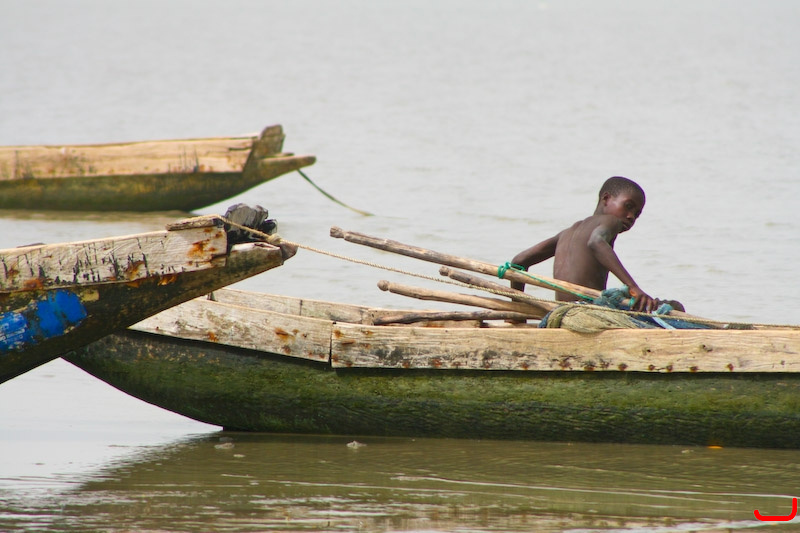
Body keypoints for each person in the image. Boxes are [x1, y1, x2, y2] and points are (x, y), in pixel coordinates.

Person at [510, 176, 657, 313]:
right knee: (664, 309)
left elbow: (518, 262)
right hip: (588, 312)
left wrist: (517, 310)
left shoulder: (566, 233)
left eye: (637, 214)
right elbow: (596, 242)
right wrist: (633, 287)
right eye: (628, 206)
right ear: (606, 199)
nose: (631, 216)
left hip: (562, 312)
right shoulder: (611, 221)